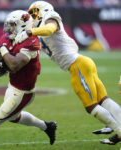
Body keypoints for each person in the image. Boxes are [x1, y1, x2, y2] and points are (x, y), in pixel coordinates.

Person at [15, 1, 121, 145]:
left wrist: (30, 32)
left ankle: (119, 132)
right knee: (104, 100)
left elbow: (50, 28)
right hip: (82, 64)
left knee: (92, 107)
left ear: (42, 10)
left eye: (34, 13)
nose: (32, 17)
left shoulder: (50, 17)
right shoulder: (38, 29)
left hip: (78, 65)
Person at [0, 10, 57, 150]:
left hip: (24, 92)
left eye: (12, 25)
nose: (9, 28)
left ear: (22, 25)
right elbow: (4, 62)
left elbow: (15, 65)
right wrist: (0, 67)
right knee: (13, 117)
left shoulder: (31, 41)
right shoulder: (7, 38)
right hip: (12, 85)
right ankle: (47, 126)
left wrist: (4, 52)